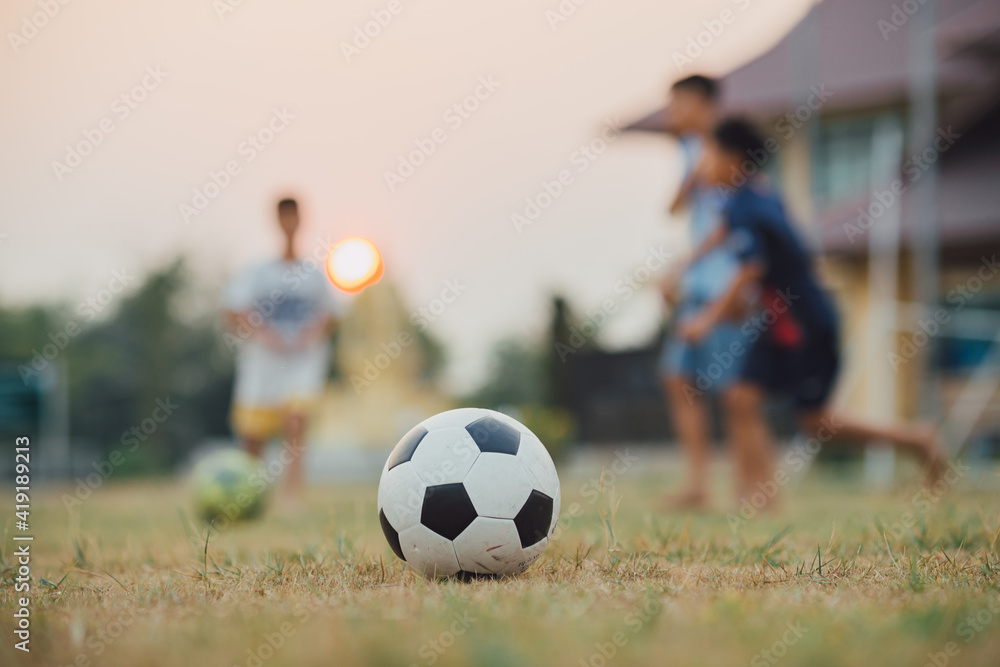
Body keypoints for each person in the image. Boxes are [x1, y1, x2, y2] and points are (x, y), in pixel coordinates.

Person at [677, 118, 943, 507]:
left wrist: (706, 319)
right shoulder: (756, 196)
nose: (703, 166)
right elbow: (757, 260)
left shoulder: (743, 204)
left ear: (733, 160)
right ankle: (760, 497)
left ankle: (917, 438)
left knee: (815, 421)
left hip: (807, 324)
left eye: (710, 155)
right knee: (739, 396)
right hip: (778, 323)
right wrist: (703, 281)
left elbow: (751, 269)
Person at [656, 75, 747, 509]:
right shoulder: (691, 151)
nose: (672, 114)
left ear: (701, 102)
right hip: (695, 288)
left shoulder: (732, 148)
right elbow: (673, 207)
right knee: (679, 379)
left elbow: (735, 222)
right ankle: (697, 483)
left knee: (734, 391)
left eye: (678, 104)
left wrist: (680, 268)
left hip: (725, 286)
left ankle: (750, 487)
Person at [223, 197, 342, 512]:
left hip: (301, 364)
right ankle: (249, 497)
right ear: (277, 219)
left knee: (295, 422)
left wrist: (312, 333)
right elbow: (232, 312)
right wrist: (262, 333)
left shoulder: (314, 275)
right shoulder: (257, 271)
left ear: (300, 219)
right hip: (262, 366)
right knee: (253, 438)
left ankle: (292, 498)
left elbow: (330, 315)